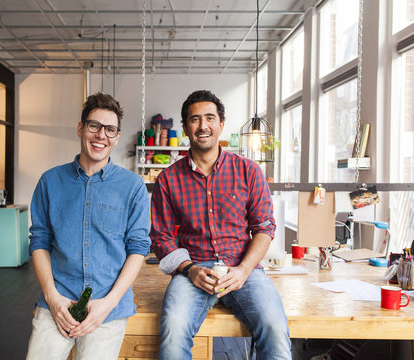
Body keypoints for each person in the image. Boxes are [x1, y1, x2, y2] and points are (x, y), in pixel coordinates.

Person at [151, 90, 291, 359]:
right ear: (185, 128)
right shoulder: (168, 180)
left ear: (221, 124)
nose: (203, 126)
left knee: (275, 328)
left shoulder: (249, 171)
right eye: (194, 119)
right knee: (173, 331)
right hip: (194, 271)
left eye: (209, 118)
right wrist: (189, 270)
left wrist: (244, 270)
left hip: (243, 269)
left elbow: (264, 227)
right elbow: (161, 238)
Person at [27, 93, 151, 360]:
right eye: (94, 126)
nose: (101, 135)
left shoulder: (133, 187)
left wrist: (108, 304)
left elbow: (138, 248)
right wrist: (52, 297)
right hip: (57, 303)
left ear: (117, 137)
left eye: (110, 129)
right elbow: (39, 241)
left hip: (108, 307)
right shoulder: (50, 181)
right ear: (81, 128)